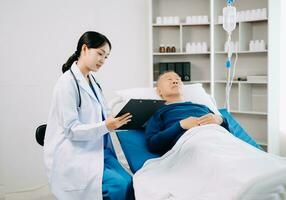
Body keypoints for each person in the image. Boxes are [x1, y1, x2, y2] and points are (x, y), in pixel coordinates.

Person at [44, 31, 134, 200]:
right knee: (118, 185)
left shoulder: (93, 81)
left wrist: (119, 119)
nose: (103, 60)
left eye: (106, 57)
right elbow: (71, 130)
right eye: (100, 54)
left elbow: (102, 114)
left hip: (98, 149)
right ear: (85, 49)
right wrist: (107, 125)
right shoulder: (66, 84)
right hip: (76, 154)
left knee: (131, 180)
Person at [145, 71, 259, 155]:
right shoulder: (159, 112)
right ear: (159, 91)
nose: (175, 80)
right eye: (169, 79)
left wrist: (220, 120)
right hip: (192, 144)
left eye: (178, 79)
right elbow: (153, 145)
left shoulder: (202, 107)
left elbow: (233, 135)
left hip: (219, 138)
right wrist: (180, 125)